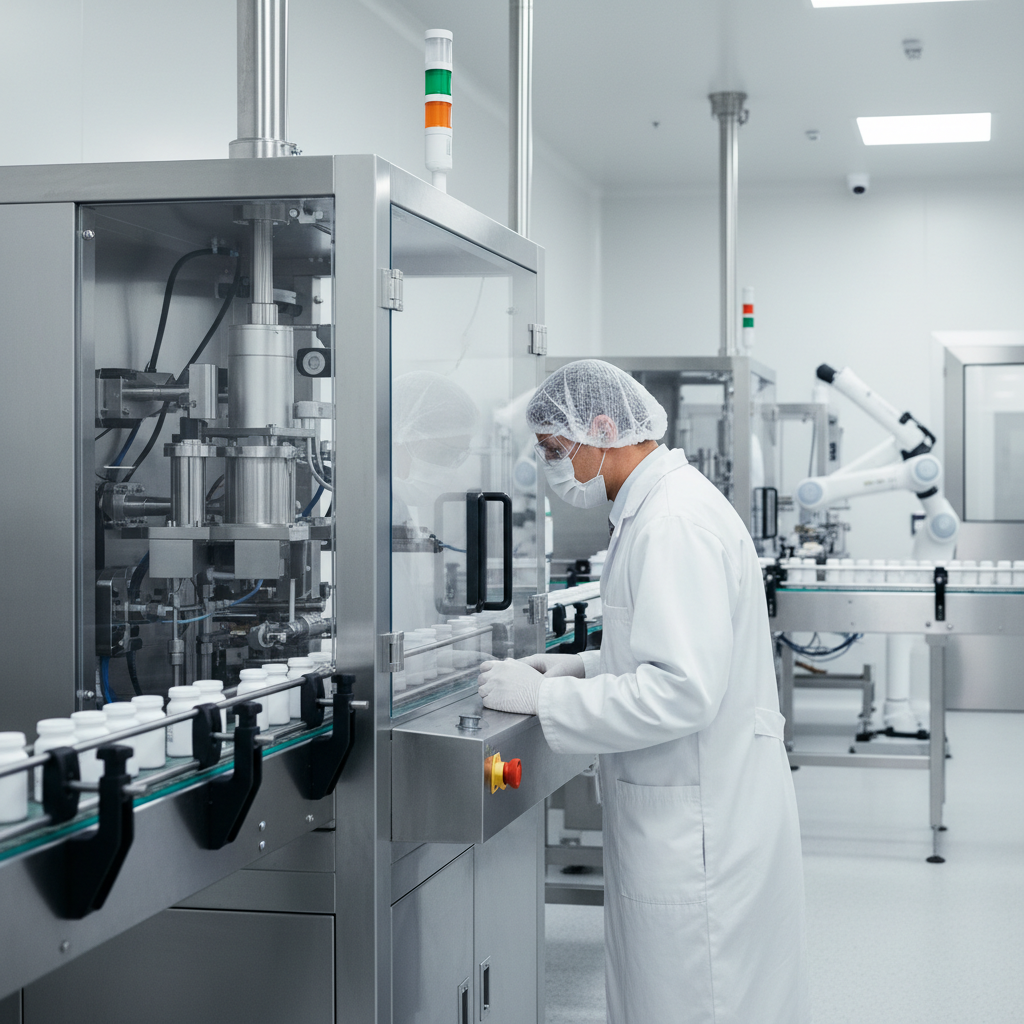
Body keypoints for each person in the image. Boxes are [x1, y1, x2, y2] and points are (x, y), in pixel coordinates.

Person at [477, 359, 808, 1024]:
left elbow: (680, 691)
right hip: (692, 802)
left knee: (693, 996)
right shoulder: (657, 508)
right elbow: (669, 650)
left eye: (554, 450)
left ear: (603, 427)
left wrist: (545, 702)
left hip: (698, 825)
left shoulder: (672, 523)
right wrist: (580, 669)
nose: (551, 469)